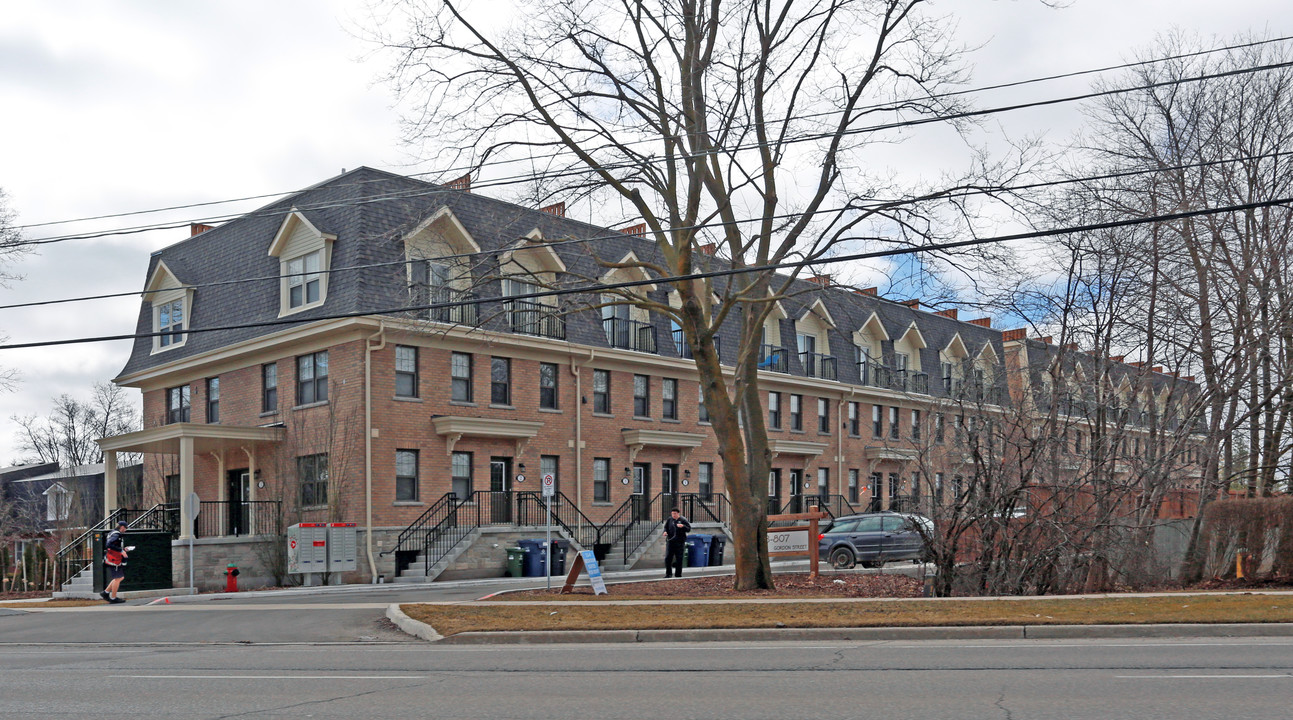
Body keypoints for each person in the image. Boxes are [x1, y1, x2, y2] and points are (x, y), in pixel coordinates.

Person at [102, 521, 129, 604]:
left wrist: (123, 550)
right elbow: (109, 544)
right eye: (125, 528)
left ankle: (106, 593)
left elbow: (113, 545)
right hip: (114, 559)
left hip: (112, 558)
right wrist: (121, 550)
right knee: (118, 578)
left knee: (118, 577)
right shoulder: (116, 534)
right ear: (122, 527)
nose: (126, 530)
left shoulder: (112, 533)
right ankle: (113, 598)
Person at [663, 508, 691, 578]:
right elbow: (666, 527)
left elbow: (688, 529)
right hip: (670, 541)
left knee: (679, 558)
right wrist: (665, 532)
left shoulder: (683, 520)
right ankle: (668, 574)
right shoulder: (670, 520)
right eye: (672, 514)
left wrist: (683, 526)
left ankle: (678, 574)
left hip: (679, 542)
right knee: (668, 558)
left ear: (678, 514)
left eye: (675, 514)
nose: (673, 515)